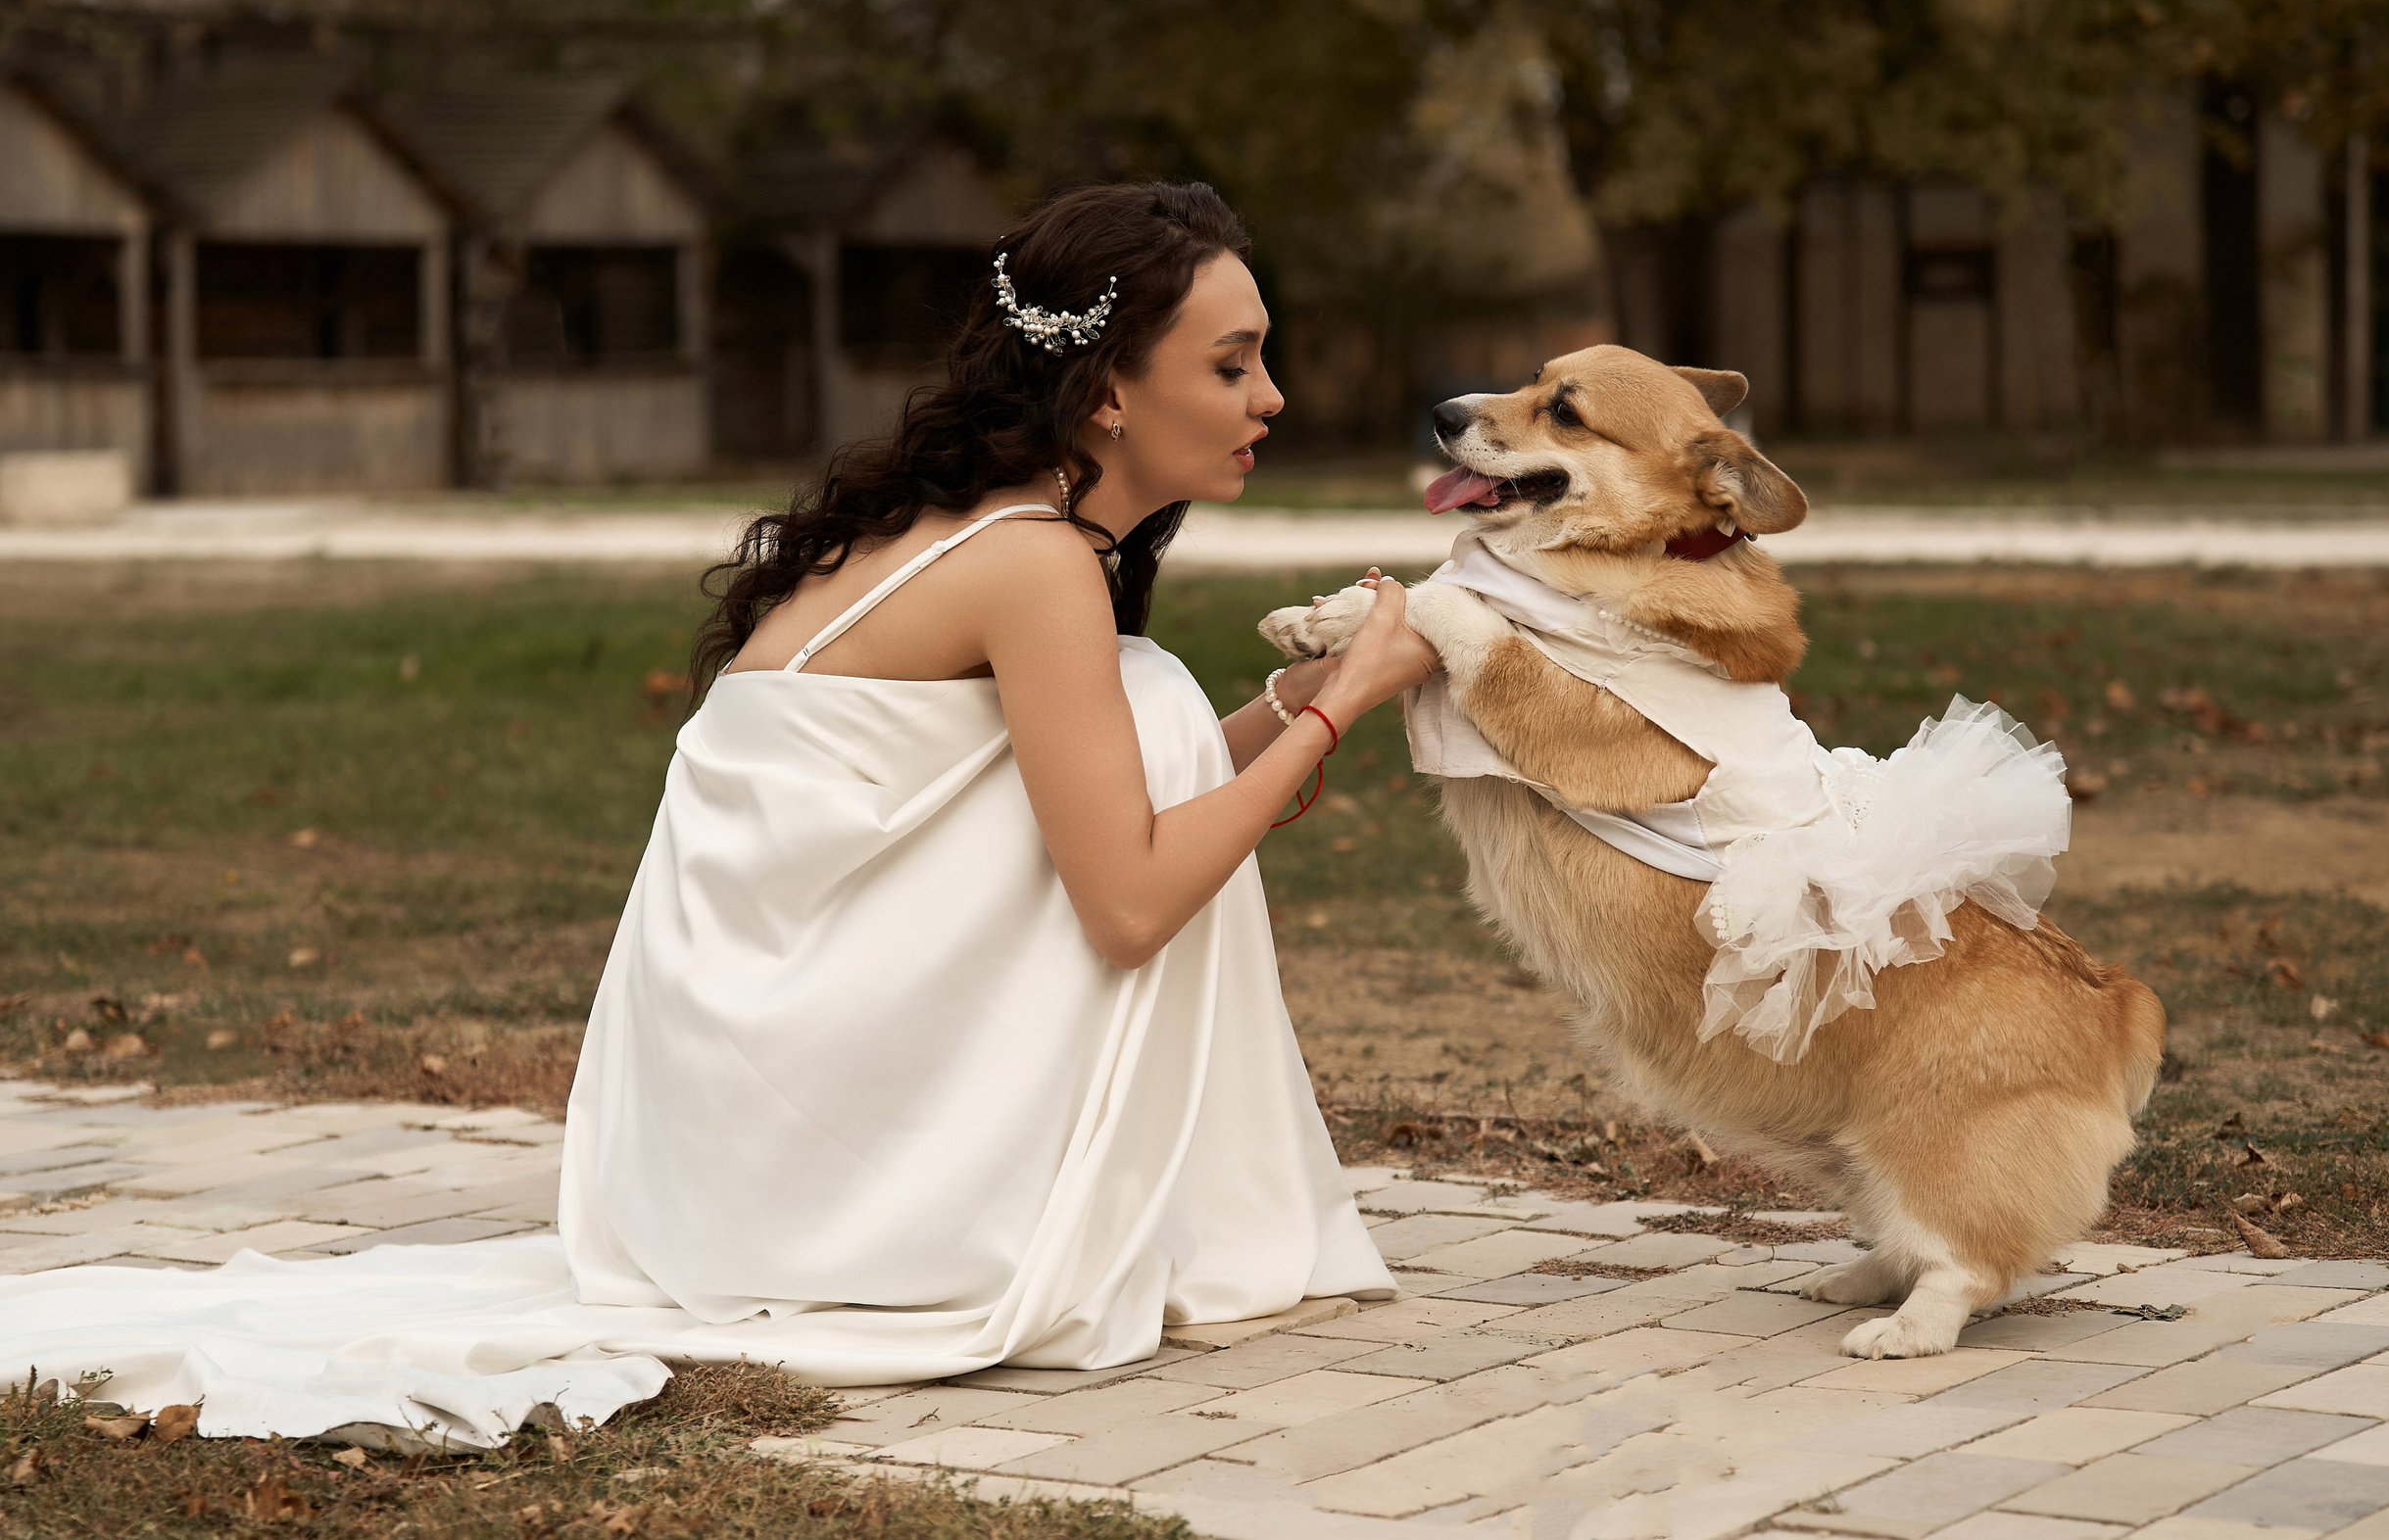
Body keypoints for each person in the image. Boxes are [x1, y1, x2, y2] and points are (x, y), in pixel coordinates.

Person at [0, 181, 1437, 1452]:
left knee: (1159, 693)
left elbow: (1103, 798)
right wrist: (1344, 709)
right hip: (799, 1162)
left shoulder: (973, 531)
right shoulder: (1034, 561)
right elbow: (1127, 901)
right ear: (1110, 390)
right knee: (1156, 686)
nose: (1273, 397)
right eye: (1233, 363)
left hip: (721, 1138)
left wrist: (1291, 701)